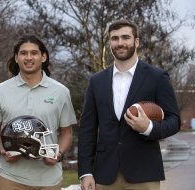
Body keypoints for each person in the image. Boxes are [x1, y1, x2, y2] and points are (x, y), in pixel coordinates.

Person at [77, 19, 181, 190]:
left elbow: (174, 121)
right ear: (110, 42)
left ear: (136, 41)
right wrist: (86, 171)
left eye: (125, 37)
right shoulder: (96, 81)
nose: (120, 43)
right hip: (104, 174)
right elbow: (87, 129)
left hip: (144, 172)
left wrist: (148, 127)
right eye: (115, 38)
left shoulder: (157, 77)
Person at [0, 34, 77, 190]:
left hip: (49, 180)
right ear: (16, 58)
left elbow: (67, 132)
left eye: (34, 53)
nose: (28, 57)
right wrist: (2, 149)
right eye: (23, 53)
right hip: (10, 178)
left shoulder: (61, 92)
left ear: (43, 57)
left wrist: (58, 154)